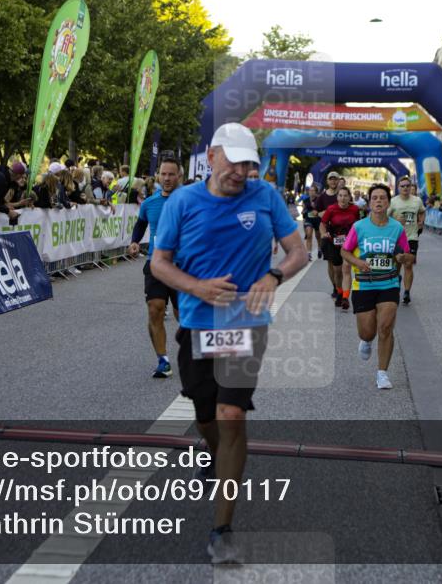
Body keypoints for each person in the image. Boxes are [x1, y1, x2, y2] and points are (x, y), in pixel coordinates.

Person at [149, 123, 306, 564]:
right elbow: (160, 264)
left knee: (231, 413)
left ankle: (222, 529)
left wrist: (274, 275)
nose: (242, 172)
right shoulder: (182, 202)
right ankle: (216, 453)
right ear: (213, 156)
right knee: (206, 415)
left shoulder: (265, 197)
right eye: (235, 162)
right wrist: (196, 288)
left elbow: (298, 252)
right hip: (198, 322)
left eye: (249, 164)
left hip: (247, 324)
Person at [341, 184, 412, 389]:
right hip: (364, 285)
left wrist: (403, 256)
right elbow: (345, 252)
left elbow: (407, 256)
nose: (379, 201)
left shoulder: (397, 228)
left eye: (382, 198)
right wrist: (358, 263)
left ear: (388, 202)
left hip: (388, 283)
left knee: (386, 328)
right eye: (374, 198)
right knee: (367, 331)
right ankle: (366, 340)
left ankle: (382, 373)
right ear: (369, 202)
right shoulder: (359, 227)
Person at [128, 155, 182, 378]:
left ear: (179, 176)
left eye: (171, 174)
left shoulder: (191, 200)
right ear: (158, 175)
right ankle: (163, 360)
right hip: (156, 264)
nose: (167, 178)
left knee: (185, 317)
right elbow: (141, 224)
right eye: (163, 174)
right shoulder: (150, 203)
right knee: (155, 309)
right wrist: (134, 241)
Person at [387, 176, 424, 305]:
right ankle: (397, 280)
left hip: (411, 237)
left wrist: (421, 221)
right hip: (396, 238)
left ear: (411, 187)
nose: (405, 188)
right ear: (398, 188)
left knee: (408, 264)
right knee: (397, 264)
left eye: (407, 186)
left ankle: (407, 292)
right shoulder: (393, 201)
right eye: (402, 186)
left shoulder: (417, 201)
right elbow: (384, 218)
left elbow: (422, 211)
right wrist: (395, 221)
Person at [320, 186, 358, 310]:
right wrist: (323, 233)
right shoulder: (331, 209)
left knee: (346, 268)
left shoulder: (355, 209)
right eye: (340, 195)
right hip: (334, 243)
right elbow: (323, 223)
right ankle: (340, 291)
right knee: (337, 271)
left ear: (349, 197)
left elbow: (360, 225)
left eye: (345, 195)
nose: (343, 198)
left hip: (349, 244)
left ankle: (346, 298)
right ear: (337, 198)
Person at [314, 172, 341, 298]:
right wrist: (327, 213)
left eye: (335, 179)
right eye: (331, 179)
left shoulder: (343, 195)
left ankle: (342, 288)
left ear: (338, 181)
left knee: (342, 265)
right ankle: (335, 287)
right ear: (328, 181)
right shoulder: (322, 197)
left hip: (342, 234)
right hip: (327, 234)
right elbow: (316, 213)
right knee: (331, 263)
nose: (333, 182)